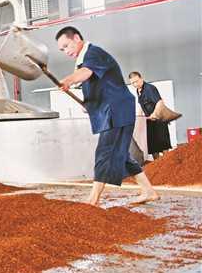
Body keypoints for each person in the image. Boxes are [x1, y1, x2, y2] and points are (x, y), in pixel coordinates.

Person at [55, 26, 159, 206]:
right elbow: (96, 84)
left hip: (116, 110)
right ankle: (149, 191)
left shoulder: (93, 53)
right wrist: (90, 104)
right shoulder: (84, 60)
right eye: (62, 49)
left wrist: (68, 80)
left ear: (77, 38)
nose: (66, 51)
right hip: (113, 110)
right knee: (122, 155)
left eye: (66, 45)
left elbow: (86, 73)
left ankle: (93, 200)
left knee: (105, 151)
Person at [128, 72, 172, 160]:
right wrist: (138, 117)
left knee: (163, 144)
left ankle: (167, 163)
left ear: (141, 79)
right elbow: (141, 105)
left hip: (159, 119)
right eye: (132, 83)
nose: (135, 84)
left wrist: (154, 114)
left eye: (136, 81)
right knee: (153, 146)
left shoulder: (150, 88)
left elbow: (160, 102)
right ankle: (158, 165)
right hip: (149, 121)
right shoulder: (138, 91)